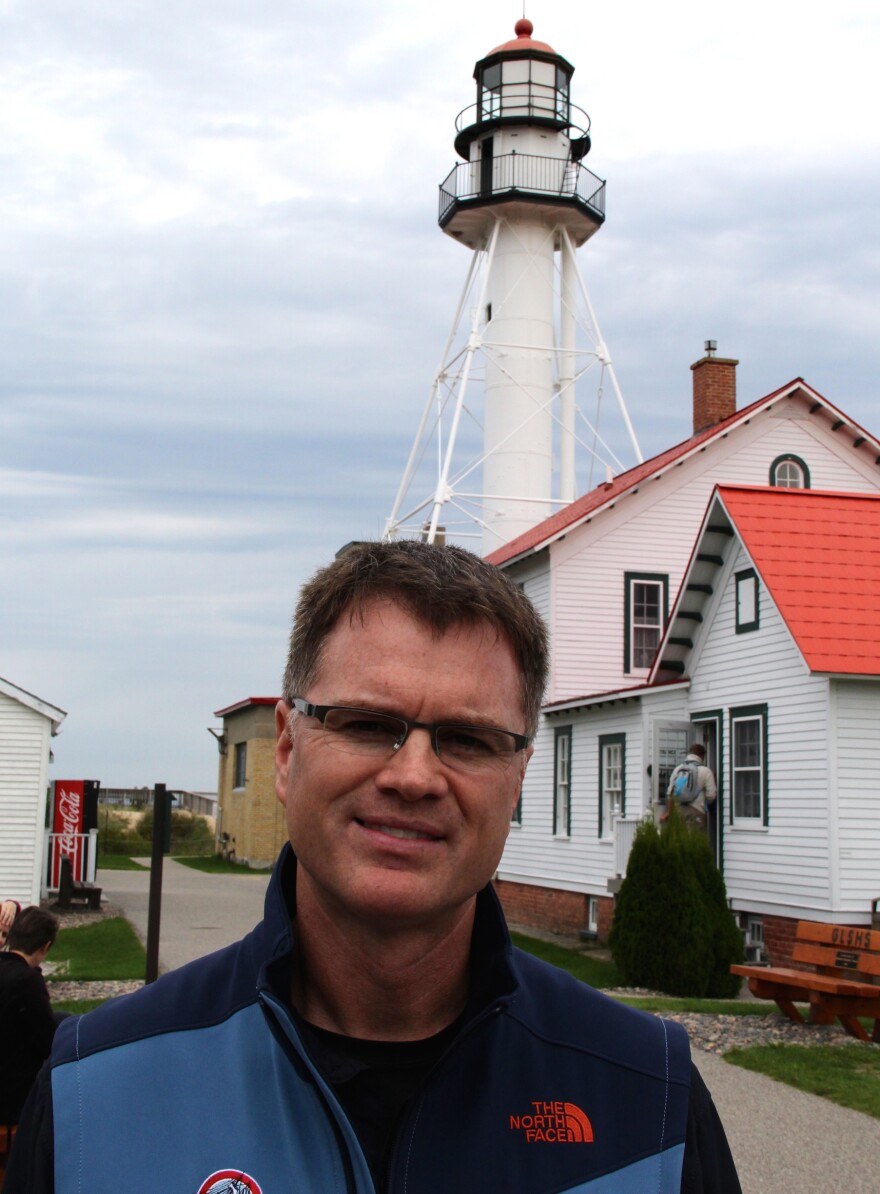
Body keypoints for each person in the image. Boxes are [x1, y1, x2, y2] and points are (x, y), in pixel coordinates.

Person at [7, 541, 740, 1192]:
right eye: (367, 725)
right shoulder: (92, 1093)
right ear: (287, 753)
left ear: (517, 777)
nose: (414, 776)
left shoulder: (651, 1105)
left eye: (468, 739)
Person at [0, 907, 59, 1127]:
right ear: (45, 947)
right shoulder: (26, 981)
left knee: (63, 1018)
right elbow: (48, 1042)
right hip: (11, 1100)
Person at [663, 742, 717, 831]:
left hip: (678, 810)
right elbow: (711, 795)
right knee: (695, 841)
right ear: (702, 755)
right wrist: (705, 804)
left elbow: (669, 793)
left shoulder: (678, 769)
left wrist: (668, 811)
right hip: (696, 811)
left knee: (680, 841)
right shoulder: (706, 771)